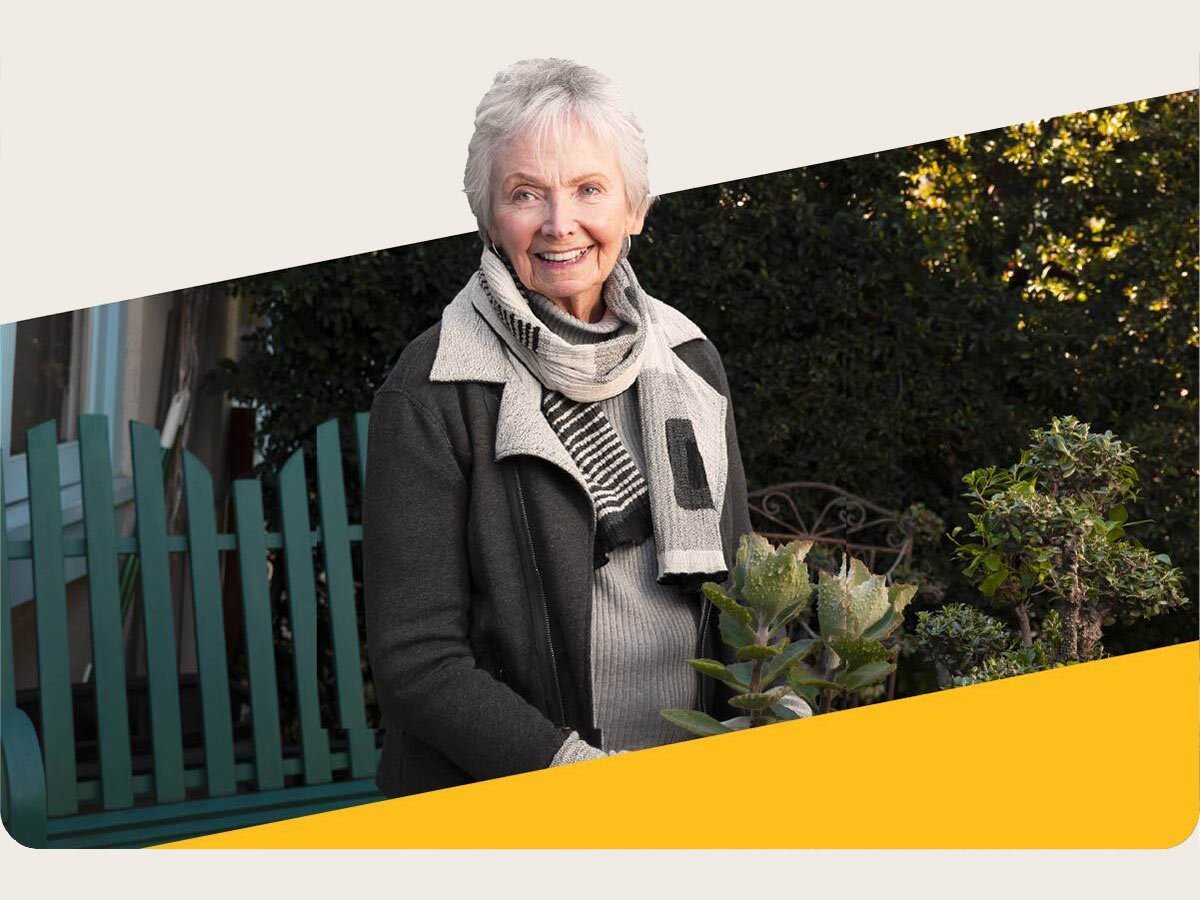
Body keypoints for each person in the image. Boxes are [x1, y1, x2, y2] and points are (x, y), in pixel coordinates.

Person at [363, 58, 752, 798]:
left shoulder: (690, 360)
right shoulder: (432, 390)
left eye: (589, 189)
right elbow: (418, 662)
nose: (558, 224)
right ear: (487, 214)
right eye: (525, 194)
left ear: (635, 208)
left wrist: (771, 698)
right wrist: (573, 775)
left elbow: (738, 583)